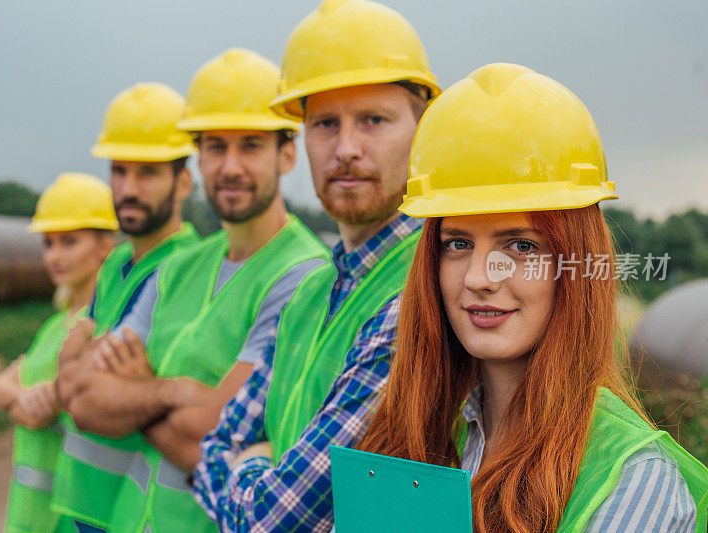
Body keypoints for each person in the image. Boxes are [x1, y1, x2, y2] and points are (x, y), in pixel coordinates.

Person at [355, 63, 708, 532]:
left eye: (521, 245)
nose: (480, 277)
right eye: (457, 243)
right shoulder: (426, 435)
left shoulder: (634, 484)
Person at [191, 1, 441, 530]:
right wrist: (244, 471)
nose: (346, 148)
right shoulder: (311, 292)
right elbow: (212, 447)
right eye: (325, 123)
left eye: (374, 120)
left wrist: (254, 461)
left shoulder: (425, 294)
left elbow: (270, 521)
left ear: (422, 130)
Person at [63, 48, 330, 533]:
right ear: (199, 157)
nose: (229, 167)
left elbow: (214, 430)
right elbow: (84, 399)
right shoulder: (180, 266)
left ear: (286, 154)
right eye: (215, 147)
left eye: (250, 145)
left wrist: (137, 393)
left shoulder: (303, 275)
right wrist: (177, 392)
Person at [51, 83, 200, 532]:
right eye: (120, 172)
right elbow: (77, 374)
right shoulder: (116, 260)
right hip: (81, 498)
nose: (128, 188)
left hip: (126, 506)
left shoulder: (182, 267)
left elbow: (82, 384)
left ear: (184, 181)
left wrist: (77, 360)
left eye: (148, 173)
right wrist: (79, 363)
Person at [0, 173, 117, 533]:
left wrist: (18, 395)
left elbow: (39, 407)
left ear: (105, 246)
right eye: (49, 244)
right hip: (28, 518)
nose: (55, 256)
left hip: (68, 521)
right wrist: (22, 395)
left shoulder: (101, 326)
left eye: (69, 242)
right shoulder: (54, 326)